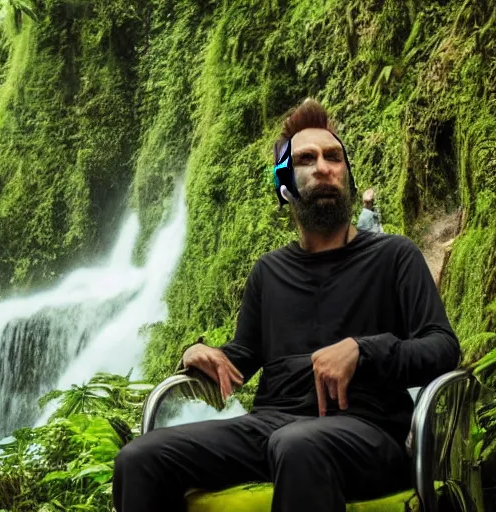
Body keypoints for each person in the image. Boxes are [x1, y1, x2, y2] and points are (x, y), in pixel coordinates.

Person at [112, 98, 460, 512]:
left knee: (296, 445)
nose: (323, 167)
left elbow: (442, 346)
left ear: (347, 175)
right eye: (306, 159)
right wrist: (199, 353)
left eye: (334, 157)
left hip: (369, 432)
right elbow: (243, 356)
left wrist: (363, 350)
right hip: (270, 429)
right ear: (284, 184)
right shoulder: (269, 272)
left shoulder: (394, 256)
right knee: (139, 458)